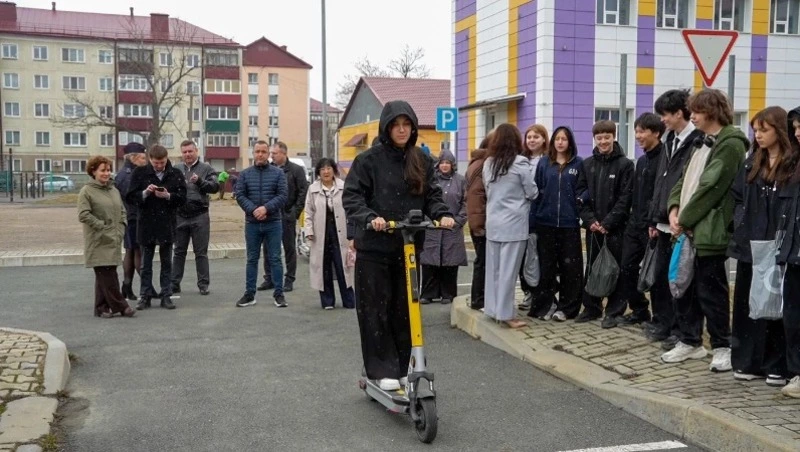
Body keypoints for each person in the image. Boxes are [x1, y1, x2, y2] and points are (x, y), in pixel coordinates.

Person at [343, 100, 454, 391]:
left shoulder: (421, 159)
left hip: (407, 247)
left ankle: (404, 365)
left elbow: (431, 195)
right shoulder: (368, 160)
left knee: (406, 309)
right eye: (396, 125)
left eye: (407, 125)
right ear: (387, 128)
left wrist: (441, 214)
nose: (402, 130)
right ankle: (381, 369)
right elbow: (353, 197)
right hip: (375, 248)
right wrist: (371, 217)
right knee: (375, 309)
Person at [662, 89, 748, 372]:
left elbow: (711, 188)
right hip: (687, 228)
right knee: (685, 288)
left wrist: (683, 218)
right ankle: (690, 341)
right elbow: (684, 179)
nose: (692, 116)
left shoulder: (731, 144)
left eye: (696, 111)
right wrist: (673, 208)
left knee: (712, 290)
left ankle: (722, 346)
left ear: (711, 112)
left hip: (709, 231)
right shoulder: (701, 142)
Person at [728, 106, 793, 386]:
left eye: (764, 130)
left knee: (776, 305)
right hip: (750, 245)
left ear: (779, 131)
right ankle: (747, 361)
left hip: (778, 245)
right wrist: (740, 222)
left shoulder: (792, 164)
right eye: (755, 130)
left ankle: (776, 364)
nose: (758, 135)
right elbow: (737, 197)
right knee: (747, 304)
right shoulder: (750, 162)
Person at [647, 89, 704, 350]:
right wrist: (654, 217)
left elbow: (690, 183)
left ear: (679, 113)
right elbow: (663, 180)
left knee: (680, 281)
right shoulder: (669, 140)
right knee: (661, 278)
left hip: (681, 222)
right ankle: (665, 324)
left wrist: (680, 216)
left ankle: (683, 332)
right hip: (662, 220)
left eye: (665, 115)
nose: (663, 121)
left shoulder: (697, 141)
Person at [527, 127, 588, 321]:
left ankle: (567, 308)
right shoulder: (545, 163)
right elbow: (536, 192)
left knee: (571, 269)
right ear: (552, 141)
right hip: (546, 223)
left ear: (570, 142)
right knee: (547, 268)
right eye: (557, 139)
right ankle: (544, 306)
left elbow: (585, 189)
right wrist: (533, 219)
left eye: (564, 139)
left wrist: (580, 200)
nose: (560, 142)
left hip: (569, 224)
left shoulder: (578, 164)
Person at [577, 120, 634, 325]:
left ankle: (614, 311)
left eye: (607, 137)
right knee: (592, 267)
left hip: (616, 229)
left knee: (615, 268)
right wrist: (590, 220)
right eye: (599, 137)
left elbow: (625, 198)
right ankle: (591, 308)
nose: (603, 141)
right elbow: (580, 195)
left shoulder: (625, 165)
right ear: (594, 139)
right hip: (593, 228)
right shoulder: (587, 164)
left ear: (614, 137)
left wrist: (608, 223)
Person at [611, 113, 665, 328]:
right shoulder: (641, 161)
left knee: (656, 275)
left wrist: (655, 221)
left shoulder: (665, 159)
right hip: (635, 225)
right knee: (627, 268)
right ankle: (640, 309)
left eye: (643, 131)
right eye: (637, 131)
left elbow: (661, 194)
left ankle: (661, 319)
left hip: (655, 226)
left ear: (657, 133)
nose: (638, 136)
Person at [482, 124, 538, 328]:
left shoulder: (488, 163)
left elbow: (488, 191)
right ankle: (506, 315)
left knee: (494, 270)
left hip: (494, 222)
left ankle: (492, 308)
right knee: (508, 271)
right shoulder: (520, 162)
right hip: (514, 224)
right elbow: (532, 191)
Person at [126, 145, 187, 311]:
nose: (159, 166)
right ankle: (145, 296)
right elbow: (130, 197)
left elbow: (182, 198)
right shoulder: (140, 173)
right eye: (156, 163)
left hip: (167, 223)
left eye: (162, 162)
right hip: (146, 223)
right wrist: (145, 193)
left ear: (167, 158)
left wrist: (168, 196)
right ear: (150, 160)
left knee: (167, 262)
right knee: (146, 263)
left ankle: (166, 295)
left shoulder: (175, 174)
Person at [78, 156, 136, 318]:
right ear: (93, 171)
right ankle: (121, 306)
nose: (106, 173)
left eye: (108, 170)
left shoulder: (113, 190)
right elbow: (83, 214)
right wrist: (101, 226)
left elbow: (122, 210)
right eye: (102, 170)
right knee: (107, 275)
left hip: (114, 238)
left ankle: (101, 308)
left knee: (106, 273)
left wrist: (122, 224)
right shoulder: (87, 191)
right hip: (98, 240)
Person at [235, 140, 288, 308]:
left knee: (275, 259)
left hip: (273, 222)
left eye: (264, 152)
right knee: (252, 259)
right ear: (253, 153)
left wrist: (265, 208)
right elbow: (240, 195)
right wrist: (254, 210)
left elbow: (282, 195)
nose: (260, 154)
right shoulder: (244, 174)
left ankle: (279, 294)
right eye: (257, 151)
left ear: (268, 154)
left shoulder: (278, 174)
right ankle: (249, 294)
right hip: (252, 223)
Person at [304, 158, 355, 309]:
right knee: (323, 267)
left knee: (343, 266)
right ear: (318, 172)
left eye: (329, 168)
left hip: (340, 233)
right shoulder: (313, 189)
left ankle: (349, 300)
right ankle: (327, 301)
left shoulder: (344, 187)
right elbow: (308, 212)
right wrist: (309, 231)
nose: (326, 172)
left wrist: (353, 235)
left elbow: (351, 211)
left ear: (334, 170)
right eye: (322, 169)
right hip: (321, 233)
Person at [419, 149, 468, 305]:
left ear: (452, 165)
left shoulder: (460, 181)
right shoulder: (430, 181)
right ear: (437, 164)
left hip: (452, 228)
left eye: (448, 163)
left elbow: (466, 204)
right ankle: (428, 293)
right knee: (429, 261)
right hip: (432, 227)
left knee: (450, 262)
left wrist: (458, 220)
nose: (445, 166)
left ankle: (448, 293)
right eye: (442, 163)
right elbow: (424, 201)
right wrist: (428, 220)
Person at [258, 142, 308, 293]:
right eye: (271, 153)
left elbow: (303, 191)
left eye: (275, 153)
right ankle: (270, 278)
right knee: (268, 249)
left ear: (284, 154)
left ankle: (289, 279)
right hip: (270, 215)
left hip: (287, 216)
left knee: (289, 248)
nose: (271, 156)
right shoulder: (268, 169)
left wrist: (295, 211)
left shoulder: (296, 170)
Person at [171, 140, 219, 296]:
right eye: (184, 152)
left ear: (196, 151)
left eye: (190, 151)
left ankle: (203, 284)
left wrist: (200, 181)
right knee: (179, 251)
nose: (187, 155)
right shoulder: (176, 169)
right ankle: (174, 283)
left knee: (201, 252)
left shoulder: (206, 168)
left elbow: (214, 188)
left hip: (200, 215)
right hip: (180, 216)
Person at [777, 105, 800, 398]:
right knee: (793, 316)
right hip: (793, 251)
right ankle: (796, 372)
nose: (797, 132)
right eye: (794, 128)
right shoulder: (794, 163)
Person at [518, 124, 549, 311]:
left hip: (540, 214)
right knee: (523, 257)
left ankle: (540, 293)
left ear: (544, 139)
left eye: (536, 137)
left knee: (538, 256)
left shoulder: (547, 160)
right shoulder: (521, 160)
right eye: (529, 137)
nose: (531, 140)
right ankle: (527, 292)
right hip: (521, 215)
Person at [115, 142, 148, 301]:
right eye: (142, 158)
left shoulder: (129, 172)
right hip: (133, 217)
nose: (144, 160)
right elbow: (134, 197)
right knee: (137, 251)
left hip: (132, 217)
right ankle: (145, 286)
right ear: (133, 157)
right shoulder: (128, 175)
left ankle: (127, 287)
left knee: (131, 250)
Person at [465, 136, 491, 311]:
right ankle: (479, 299)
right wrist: (480, 226)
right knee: (483, 261)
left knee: (483, 261)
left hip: (480, 222)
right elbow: (476, 198)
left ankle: (480, 298)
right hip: (481, 223)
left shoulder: (478, 162)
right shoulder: (482, 165)